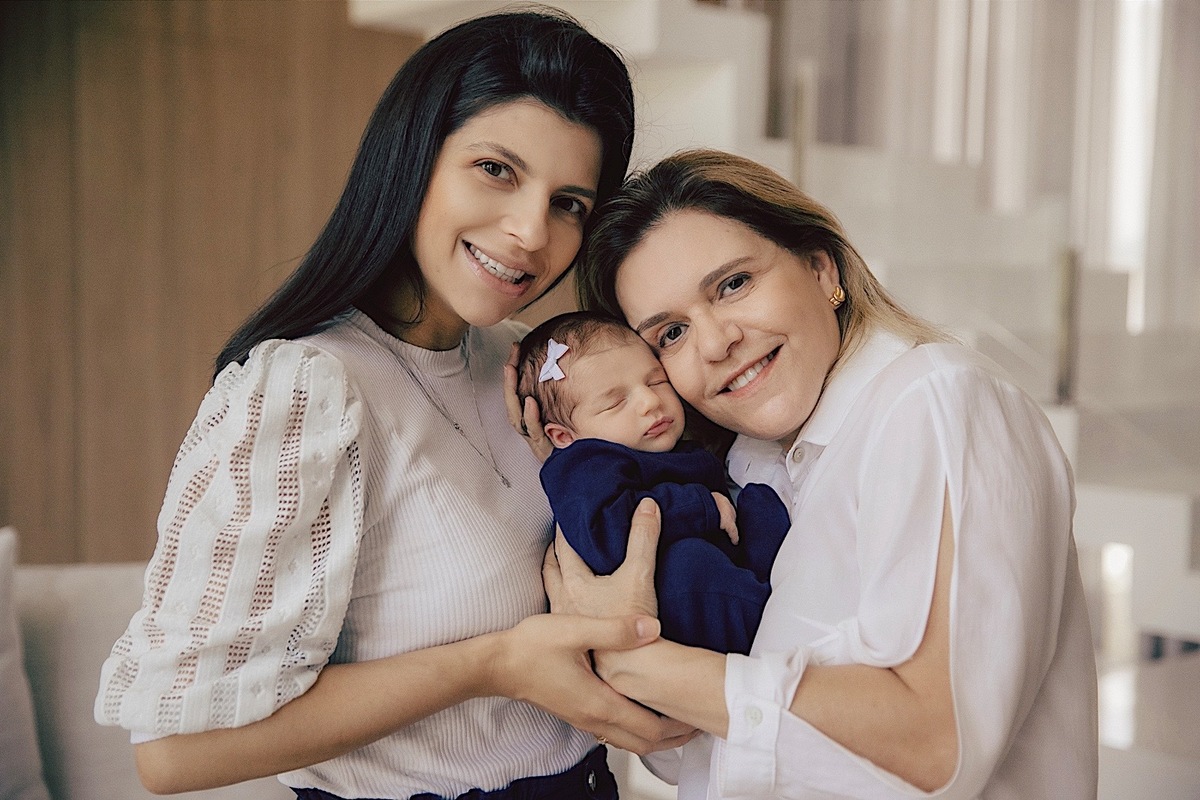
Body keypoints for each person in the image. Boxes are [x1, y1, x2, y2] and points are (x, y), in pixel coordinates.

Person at [93, 11, 695, 800]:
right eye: (496, 170)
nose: (528, 233)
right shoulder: (309, 388)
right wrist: (493, 666)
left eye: (569, 204)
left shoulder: (534, 365)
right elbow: (176, 753)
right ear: (414, 157)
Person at [531, 149, 1098, 798]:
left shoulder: (934, 401)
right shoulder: (749, 470)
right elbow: (698, 754)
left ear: (821, 268)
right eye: (671, 333)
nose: (716, 343)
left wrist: (634, 661)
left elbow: (933, 746)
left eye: (732, 284)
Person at [515, 311, 790, 656]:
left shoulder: (657, 443)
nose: (650, 402)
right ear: (564, 436)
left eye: (656, 381)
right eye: (616, 402)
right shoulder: (584, 466)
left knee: (760, 504)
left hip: (724, 564)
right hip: (674, 599)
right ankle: (770, 621)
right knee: (690, 563)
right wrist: (700, 507)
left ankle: (782, 597)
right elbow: (607, 533)